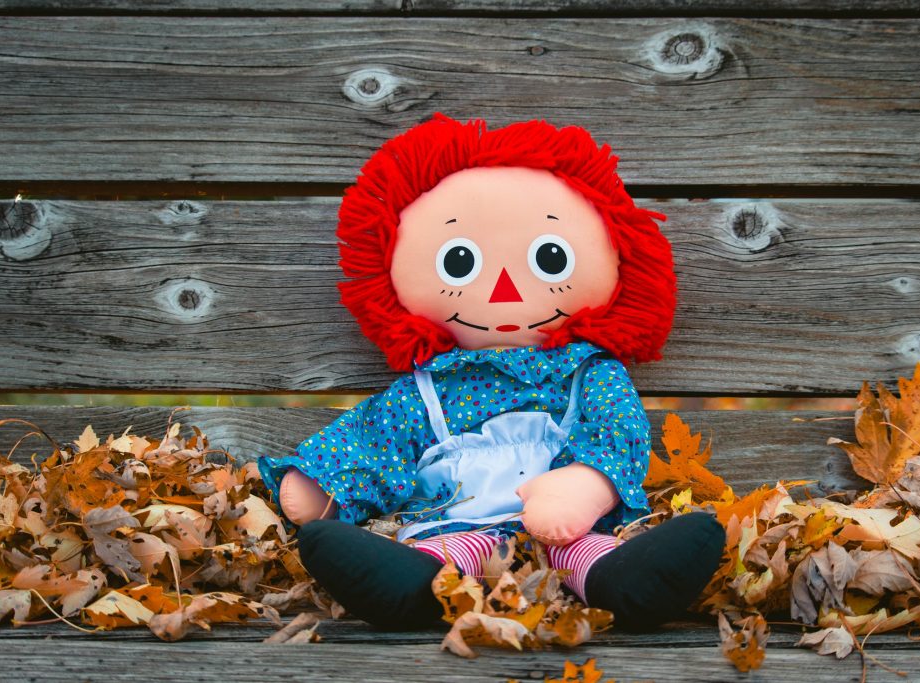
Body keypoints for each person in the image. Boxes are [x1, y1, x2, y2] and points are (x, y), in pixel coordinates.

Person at [257, 113, 724, 630]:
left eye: (550, 257)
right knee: (453, 550)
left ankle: (622, 582)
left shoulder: (589, 372)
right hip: (458, 519)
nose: (504, 290)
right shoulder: (427, 387)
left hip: (569, 526)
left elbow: (620, 434)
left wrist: (584, 487)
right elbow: (376, 440)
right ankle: (415, 587)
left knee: (581, 548)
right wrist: (326, 485)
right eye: (460, 262)